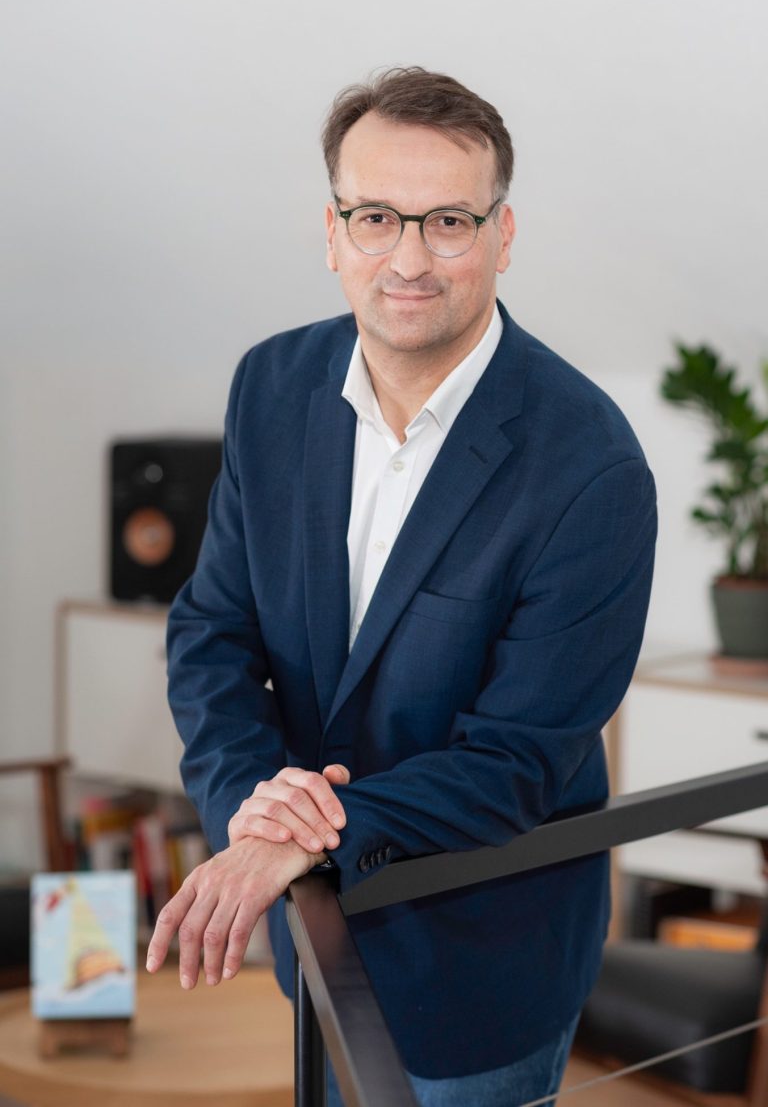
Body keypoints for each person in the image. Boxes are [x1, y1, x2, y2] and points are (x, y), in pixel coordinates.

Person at [146, 66, 657, 1106]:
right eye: (376, 217)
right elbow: (211, 632)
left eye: (449, 222)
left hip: (480, 964)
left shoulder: (591, 466)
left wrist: (299, 832)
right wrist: (253, 813)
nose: (411, 259)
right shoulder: (269, 386)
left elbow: (517, 761)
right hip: (309, 938)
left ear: (503, 235)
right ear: (332, 232)